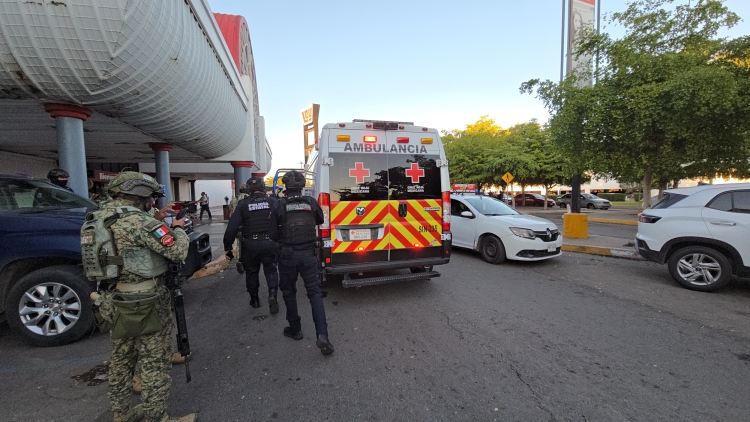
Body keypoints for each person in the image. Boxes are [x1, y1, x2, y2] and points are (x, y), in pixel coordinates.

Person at [89, 171, 196, 422]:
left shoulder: (98, 217)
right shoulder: (141, 223)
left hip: (112, 298)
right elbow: (177, 251)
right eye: (150, 198)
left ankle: (122, 414)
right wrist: (177, 228)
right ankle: (157, 418)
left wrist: (156, 218)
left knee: (122, 359)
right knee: (154, 362)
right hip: (146, 301)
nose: (153, 202)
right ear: (139, 195)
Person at [268, 170, 333, 355]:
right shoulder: (310, 202)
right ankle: (322, 335)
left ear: (286, 187)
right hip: (309, 256)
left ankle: (295, 329)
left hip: (287, 257)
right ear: (302, 186)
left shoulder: (279, 205)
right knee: (314, 294)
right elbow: (320, 219)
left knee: (289, 292)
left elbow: (272, 234)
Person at [224, 177, 279, 312]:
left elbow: (232, 227)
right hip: (269, 242)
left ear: (249, 189)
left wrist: (228, 247)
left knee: (252, 272)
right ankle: (272, 295)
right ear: (263, 187)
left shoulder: (243, 204)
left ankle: (254, 300)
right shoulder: (273, 202)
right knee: (271, 270)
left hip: (250, 244)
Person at [228, 184, 251, 274]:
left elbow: (231, 213)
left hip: (237, 226)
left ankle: (238, 260)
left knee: (239, 243)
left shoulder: (234, 200)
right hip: (248, 226)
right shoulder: (250, 199)